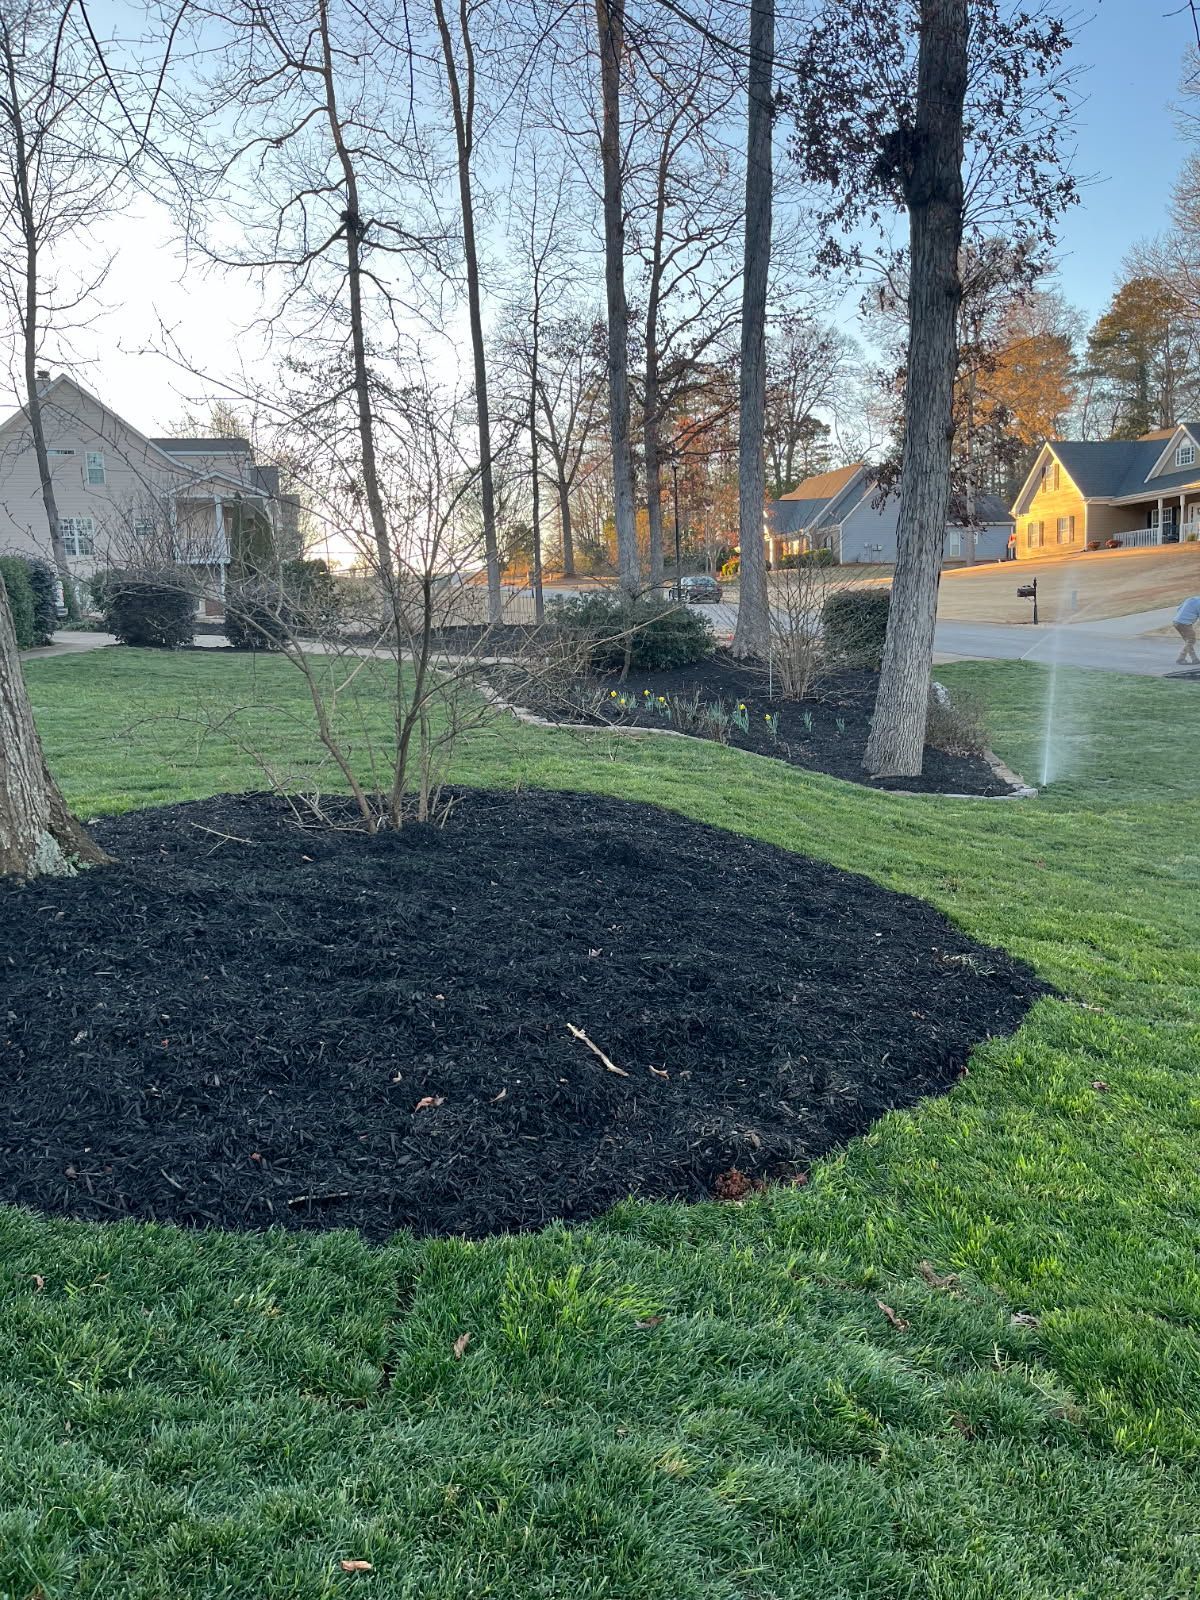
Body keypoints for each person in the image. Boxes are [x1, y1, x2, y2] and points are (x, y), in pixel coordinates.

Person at [1173, 595, 1200, 665]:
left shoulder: (1191, 599)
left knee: (1188, 641)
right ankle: (1180, 659)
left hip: (1176, 621)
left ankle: (1195, 659)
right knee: (1191, 640)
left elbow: (1179, 608)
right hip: (1184, 623)